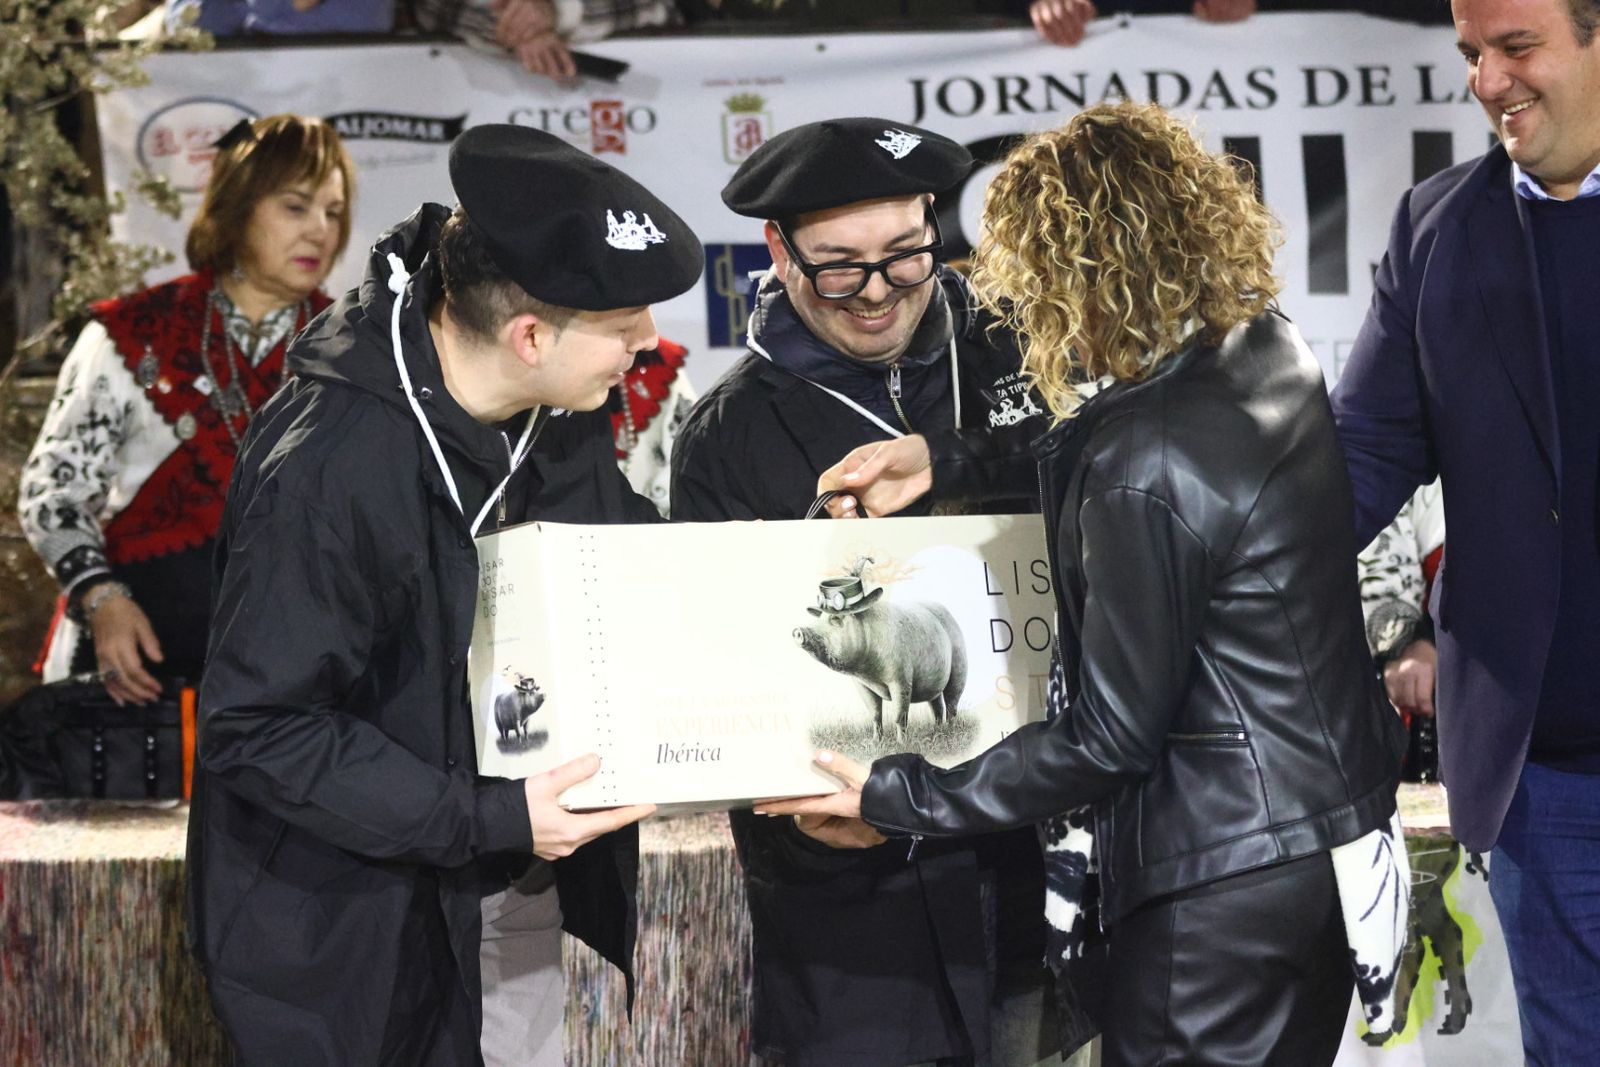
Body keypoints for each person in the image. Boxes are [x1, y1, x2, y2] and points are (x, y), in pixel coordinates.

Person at [766, 102, 1407, 1067]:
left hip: (1213, 889)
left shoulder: (1141, 458)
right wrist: (946, 460)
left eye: (1024, 273)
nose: (1014, 301)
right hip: (1315, 844)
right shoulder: (1265, 348)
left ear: (1072, 272)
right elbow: (1108, 435)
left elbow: (1106, 737)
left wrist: (901, 793)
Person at [185, 124, 701, 1065]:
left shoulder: (561, 408)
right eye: (625, 321)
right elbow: (257, 726)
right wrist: (494, 817)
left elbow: (612, 557)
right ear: (531, 334)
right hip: (342, 928)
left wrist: (747, 568)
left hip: (504, 879)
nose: (650, 342)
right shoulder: (333, 466)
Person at [672, 117, 1067, 1067]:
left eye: (905, 255)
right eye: (839, 267)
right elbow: (720, 676)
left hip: (1043, 881)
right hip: (854, 923)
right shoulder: (727, 435)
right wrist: (804, 825)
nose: (880, 292)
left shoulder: (1027, 353)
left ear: (935, 219)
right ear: (778, 249)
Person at [1328, 0, 1600, 1059]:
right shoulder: (1433, 229)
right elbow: (1355, 461)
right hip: (1548, 778)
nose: (1487, 81)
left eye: (1515, 48)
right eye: (1472, 55)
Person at [18, 114, 353, 706]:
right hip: (133, 680)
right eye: (296, 207)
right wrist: (101, 597)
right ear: (238, 205)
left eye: (333, 212)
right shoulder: (131, 333)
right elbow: (54, 489)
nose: (321, 232)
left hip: (292, 694)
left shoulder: (351, 352)